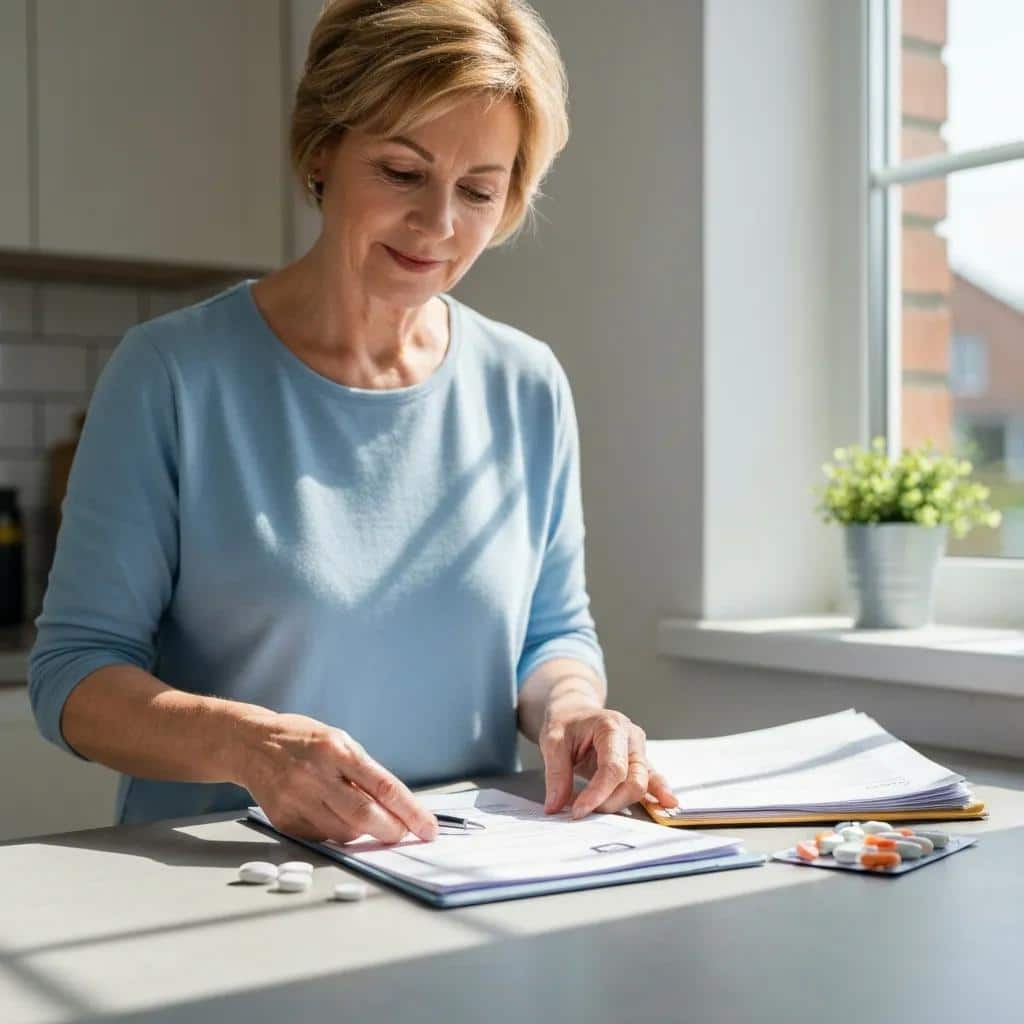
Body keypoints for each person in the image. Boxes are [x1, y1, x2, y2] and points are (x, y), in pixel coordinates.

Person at [28, 0, 678, 844]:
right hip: (229, 893)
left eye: (478, 190)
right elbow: (72, 678)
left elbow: (551, 633)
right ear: (322, 151)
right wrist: (254, 747)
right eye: (403, 173)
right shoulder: (172, 374)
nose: (439, 224)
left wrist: (575, 711)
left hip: (459, 882)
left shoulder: (527, 384)